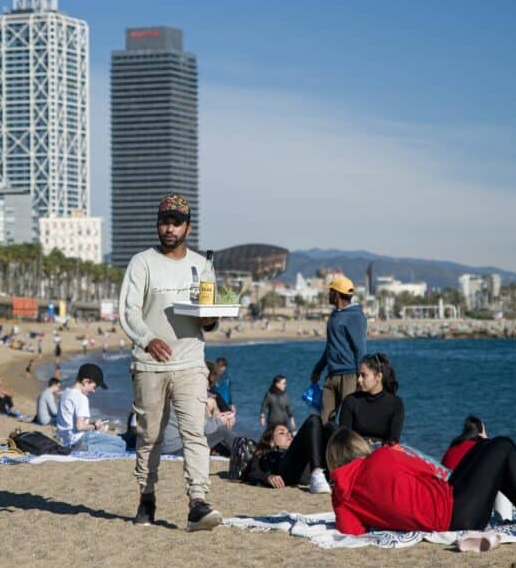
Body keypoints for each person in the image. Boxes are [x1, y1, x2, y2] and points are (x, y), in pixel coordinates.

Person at [119, 193, 222, 531]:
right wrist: (148, 340)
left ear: (187, 228)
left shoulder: (201, 265)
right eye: (164, 221)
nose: (169, 228)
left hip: (191, 362)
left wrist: (209, 322)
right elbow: (129, 311)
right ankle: (146, 497)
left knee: (195, 433)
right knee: (150, 436)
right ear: (158, 224)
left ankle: (197, 500)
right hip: (149, 365)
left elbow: (209, 316)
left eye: (176, 223)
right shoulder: (142, 262)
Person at [326, 428, 516, 535]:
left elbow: (352, 531)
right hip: (457, 512)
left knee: (482, 446)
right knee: (503, 446)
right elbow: (430, 471)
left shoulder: (342, 497)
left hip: (451, 512)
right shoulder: (382, 456)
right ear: (359, 445)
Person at [310, 276, 367, 422]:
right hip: (331, 375)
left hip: (349, 376)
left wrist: (361, 377)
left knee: (347, 421)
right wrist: (318, 369)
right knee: (325, 420)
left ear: (336, 294)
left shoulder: (355, 316)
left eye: (330, 291)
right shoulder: (335, 315)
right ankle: (327, 445)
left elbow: (360, 349)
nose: (328, 294)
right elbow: (331, 346)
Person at [242, 416, 332, 494]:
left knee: (330, 426)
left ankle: (342, 472)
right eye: (281, 433)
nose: (288, 435)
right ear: (271, 441)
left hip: (309, 468)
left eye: (289, 432)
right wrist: (268, 477)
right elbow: (253, 472)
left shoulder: (309, 450)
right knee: (313, 419)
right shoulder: (265, 454)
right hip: (286, 467)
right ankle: (316, 474)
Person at [56, 363, 123, 453]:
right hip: (78, 439)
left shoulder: (65, 393)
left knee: (109, 441)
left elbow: (70, 422)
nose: (93, 391)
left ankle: (86, 447)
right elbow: (79, 426)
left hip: (65, 439)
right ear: (86, 382)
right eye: (94, 387)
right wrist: (95, 426)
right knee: (121, 445)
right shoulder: (81, 398)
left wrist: (92, 425)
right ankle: (87, 449)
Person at [339, 353, 404, 444]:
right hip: (356, 451)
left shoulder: (396, 404)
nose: (359, 380)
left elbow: (393, 440)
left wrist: (377, 447)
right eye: (358, 375)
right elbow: (344, 437)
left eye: (364, 375)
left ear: (378, 377)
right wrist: (363, 446)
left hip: (382, 453)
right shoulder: (350, 401)